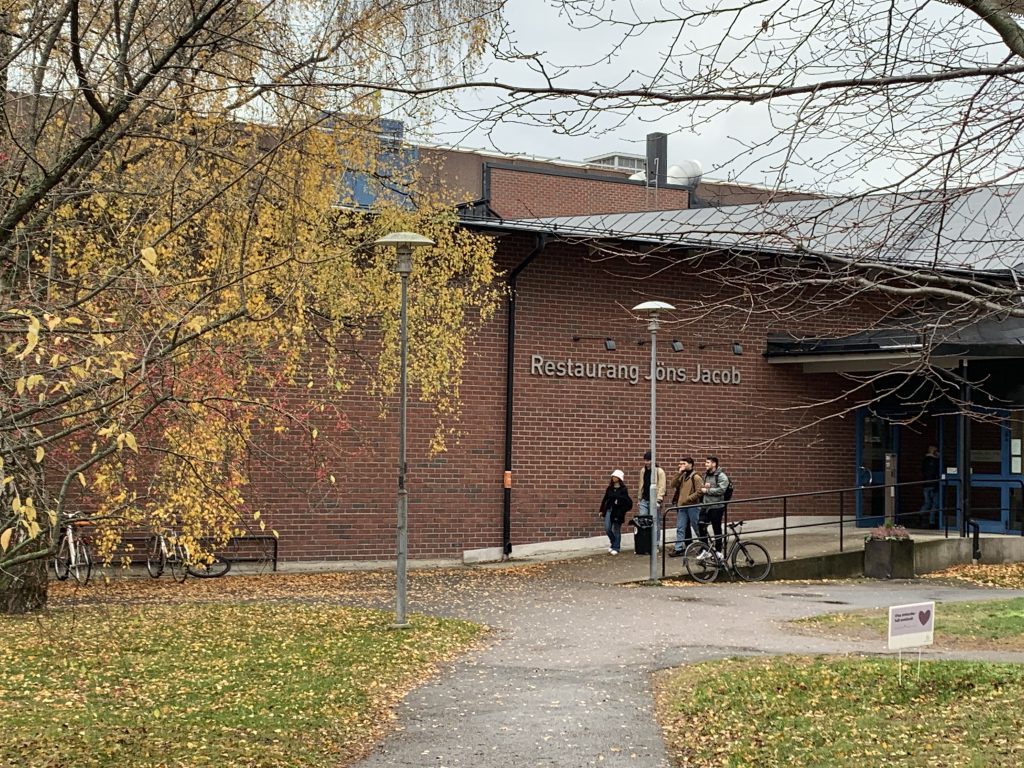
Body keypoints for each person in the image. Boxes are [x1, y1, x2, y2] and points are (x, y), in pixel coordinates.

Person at [668, 456, 704, 557]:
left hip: (693, 506)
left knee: (697, 526)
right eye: (680, 464)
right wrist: (679, 472)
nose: (681, 465)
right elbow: (673, 484)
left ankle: (704, 545)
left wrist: (688, 499)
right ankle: (678, 548)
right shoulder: (683, 476)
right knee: (680, 527)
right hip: (682, 507)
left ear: (690, 464)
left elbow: (700, 491)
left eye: (684, 464)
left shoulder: (696, 477)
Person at [700, 456, 730, 558]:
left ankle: (718, 551)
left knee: (716, 528)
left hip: (717, 507)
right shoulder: (706, 475)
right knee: (701, 525)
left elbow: (722, 490)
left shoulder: (721, 476)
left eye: (708, 462)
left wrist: (708, 490)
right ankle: (705, 549)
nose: (706, 464)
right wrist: (704, 488)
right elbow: (703, 488)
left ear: (714, 464)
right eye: (706, 462)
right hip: (706, 505)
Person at [599, 469, 632, 555]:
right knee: (607, 527)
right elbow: (605, 499)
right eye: (613, 476)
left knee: (616, 529)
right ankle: (614, 542)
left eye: (616, 477)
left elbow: (626, 501)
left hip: (618, 511)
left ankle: (616, 547)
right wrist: (601, 510)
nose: (614, 478)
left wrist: (619, 502)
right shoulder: (609, 488)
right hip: (609, 509)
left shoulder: (623, 489)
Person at [637, 449, 667, 526]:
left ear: (652, 460)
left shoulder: (659, 471)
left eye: (648, 460)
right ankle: (646, 538)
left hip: (654, 500)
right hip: (644, 499)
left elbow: (662, 487)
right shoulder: (643, 470)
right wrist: (639, 499)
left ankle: (656, 538)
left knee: (655, 522)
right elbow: (641, 485)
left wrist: (659, 500)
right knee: (642, 520)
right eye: (645, 460)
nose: (646, 462)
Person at [920, 444, 941, 527]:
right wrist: (939, 458)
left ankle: (920, 516)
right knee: (935, 504)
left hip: (926, 484)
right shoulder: (935, 461)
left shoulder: (925, 460)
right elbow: (935, 472)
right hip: (934, 484)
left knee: (927, 503)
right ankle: (931, 521)